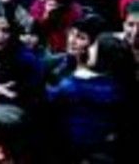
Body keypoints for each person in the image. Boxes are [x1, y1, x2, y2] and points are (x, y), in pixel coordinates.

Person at [48, 33, 136, 163]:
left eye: (94, 47)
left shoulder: (76, 85)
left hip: (79, 150)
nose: (88, 49)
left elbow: (50, 96)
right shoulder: (122, 84)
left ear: (103, 55)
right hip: (111, 149)